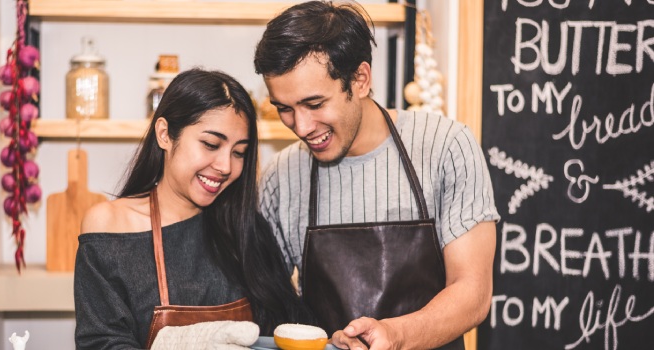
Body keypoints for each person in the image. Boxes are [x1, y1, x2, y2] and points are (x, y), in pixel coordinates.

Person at [254, 1, 500, 349]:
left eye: (315, 104)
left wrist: (396, 335)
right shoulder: (281, 177)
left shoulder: (446, 147)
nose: (302, 126)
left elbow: (473, 293)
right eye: (284, 109)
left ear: (360, 80)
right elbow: (268, 302)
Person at [74, 68, 311, 349]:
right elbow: (101, 342)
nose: (226, 166)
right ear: (164, 134)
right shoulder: (110, 226)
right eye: (211, 144)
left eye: (239, 153)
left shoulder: (247, 227)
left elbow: (285, 328)